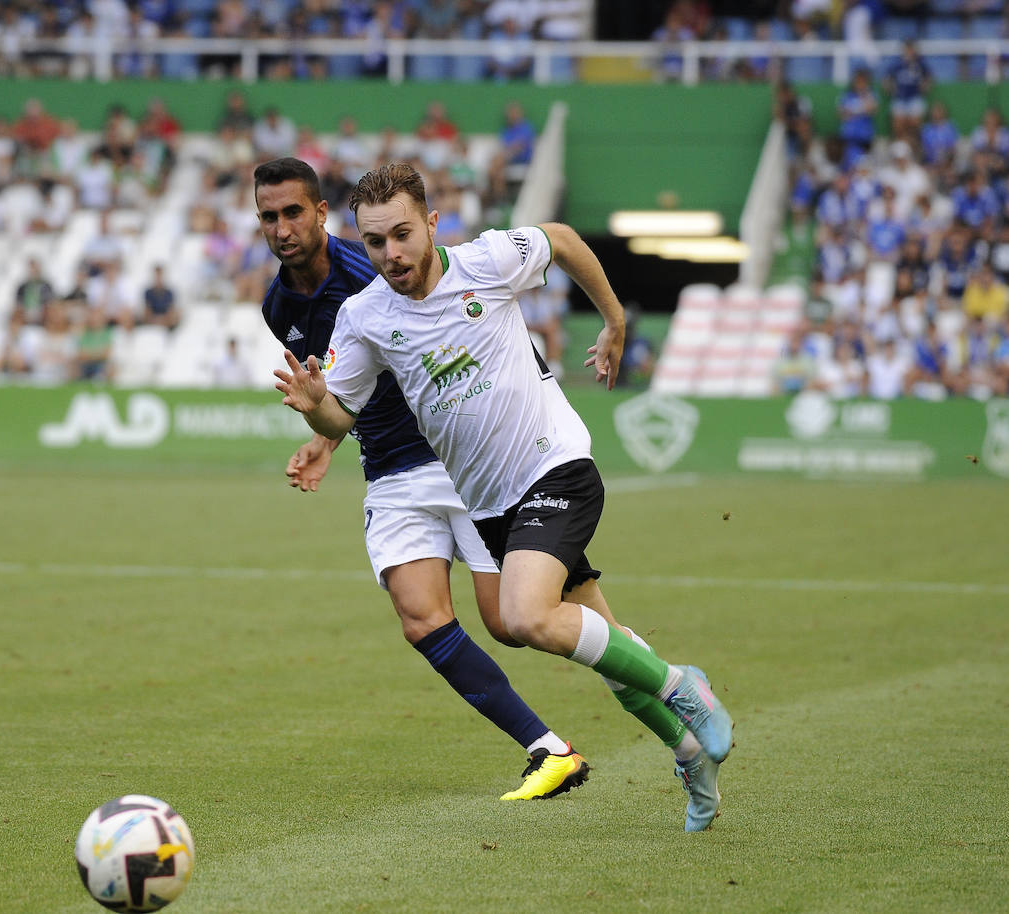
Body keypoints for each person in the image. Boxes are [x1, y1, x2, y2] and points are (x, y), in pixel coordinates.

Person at [275, 163, 733, 831]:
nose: (391, 254)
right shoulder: (363, 316)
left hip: (555, 467)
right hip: (489, 505)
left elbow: (566, 241)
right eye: (374, 243)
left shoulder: (489, 260)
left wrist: (612, 322)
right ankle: (691, 755)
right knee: (598, 641)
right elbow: (341, 416)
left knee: (523, 616)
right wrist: (317, 411)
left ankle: (679, 685)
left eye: (403, 234)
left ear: (431, 225)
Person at [254, 157, 586, 804]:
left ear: (321, 214)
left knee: (508, 621)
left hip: (461, 463)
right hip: (391, 470)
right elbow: (346, 388)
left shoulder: (375, 268)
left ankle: (634, 662)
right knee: (421, 619)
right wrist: (324, 437)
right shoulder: (278, 305)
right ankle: (549, 749)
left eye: (294, 212)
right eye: (269, 216)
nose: (282, 227)